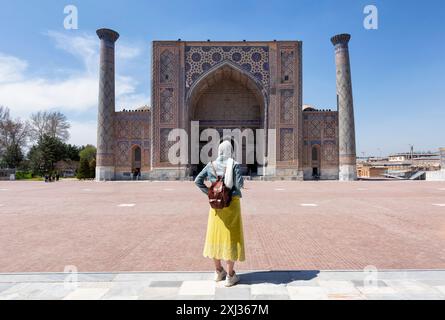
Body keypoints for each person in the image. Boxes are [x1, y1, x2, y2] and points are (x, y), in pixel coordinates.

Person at [194, 140, 245, 287]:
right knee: (231, 238)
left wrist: (210, 193)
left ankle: (218, 272)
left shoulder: (211, 165)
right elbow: (240, 184)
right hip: (232, 205)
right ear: (230, 151)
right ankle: (230, 276)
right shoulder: (234, 164)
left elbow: (197, 181)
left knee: (215, 236)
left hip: (216, 206)